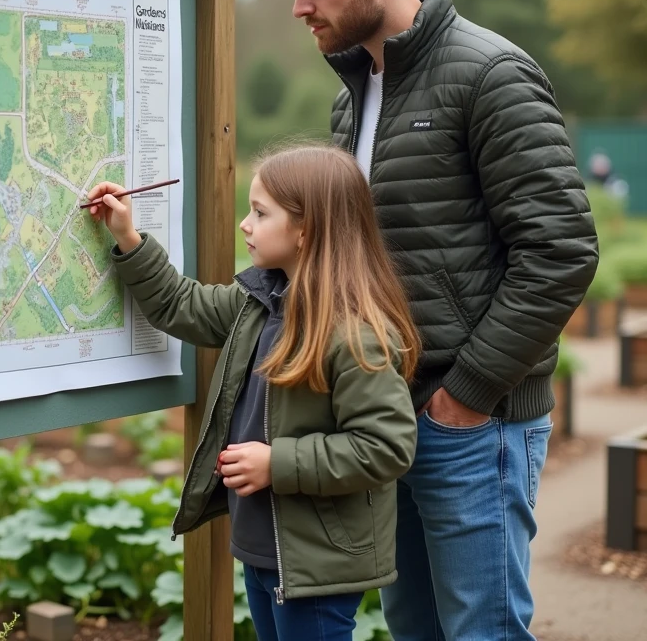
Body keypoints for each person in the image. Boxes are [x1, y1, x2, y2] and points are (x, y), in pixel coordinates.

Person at [259, 0, 599, 641]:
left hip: (470, 424)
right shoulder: (353, 97)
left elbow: (562, 251)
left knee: (482, 631)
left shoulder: (491, 74)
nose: (300, 5)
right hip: (385, 421)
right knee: (413, 629)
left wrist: (465, 399)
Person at [87, 145, 419, 641]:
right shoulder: (260, 303)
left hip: (317, 562)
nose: (246, 224)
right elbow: (185, 305)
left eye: (260, 213)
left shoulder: (355, 335)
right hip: (265, 547)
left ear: (306, 231)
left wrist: (276, 463)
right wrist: (128, 238)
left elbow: (386, 446)